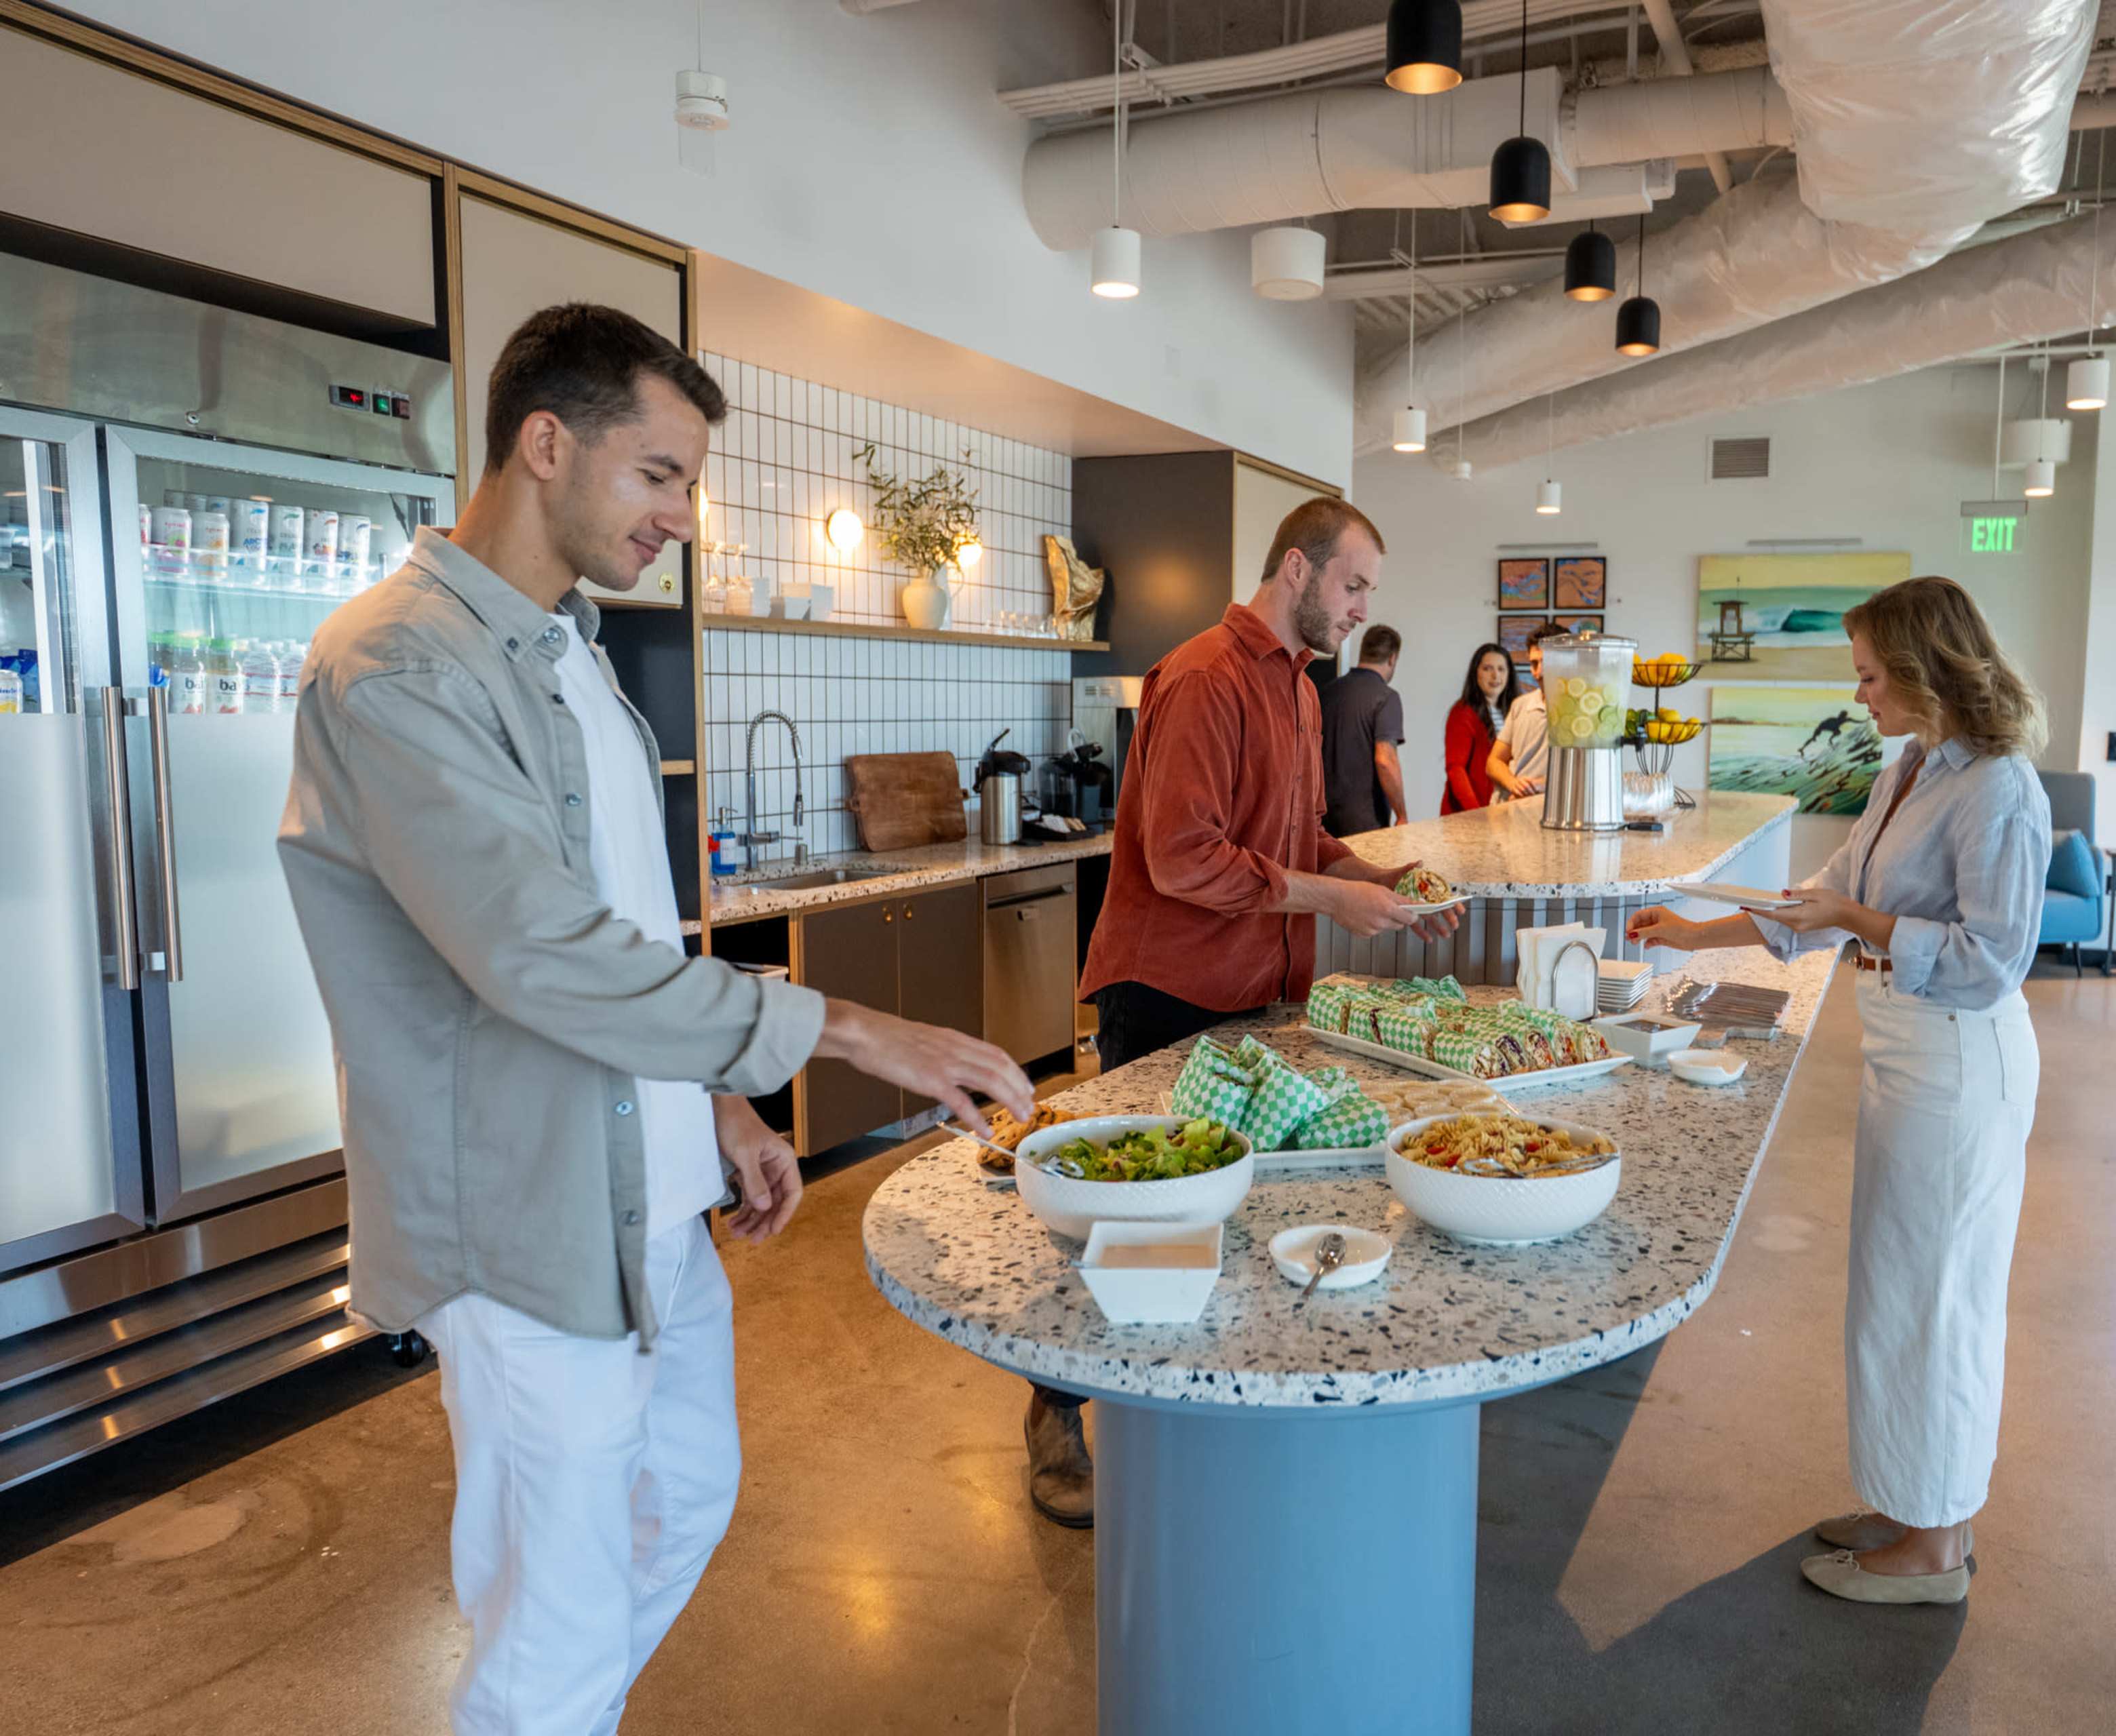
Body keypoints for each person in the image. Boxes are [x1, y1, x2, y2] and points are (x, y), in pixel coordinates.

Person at [277, 303, 1034, 1733]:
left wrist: (726, 1103)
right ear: (544, 443)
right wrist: (852, 1030)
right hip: (521, 1218)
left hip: (649, 1189)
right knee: (549, 1611)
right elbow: (541, 956)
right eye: (659, 476)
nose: (682, 516)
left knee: (683, 1492)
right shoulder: (397, 667)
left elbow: (627, 924)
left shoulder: (572, 656)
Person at [1034, 499, 1461, 1528]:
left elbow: (1298, 836)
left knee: (1227, 1216)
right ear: (1297, 570)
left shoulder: (1305, 694)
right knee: (1132, 1218)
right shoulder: (1201, 679)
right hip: (1169, 992)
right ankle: (1056, 1416)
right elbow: (1185, 860)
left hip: (1260, 997)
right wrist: (1334, 901)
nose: (1362, 610)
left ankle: (1190, 1415)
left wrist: (1383, 880)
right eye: (1354, 586)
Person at [1627, 574, 2048, 1609]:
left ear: (1918, 670)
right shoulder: (1909, 768)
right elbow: (1823, 904)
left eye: (1867, 675)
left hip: (1961, 1053)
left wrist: (1859, 926)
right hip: (1907, 1045)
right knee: (1896, 1287)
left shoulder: (1999, 788)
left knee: (1942, 1296)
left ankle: (1938, 1548)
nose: (1858, 694)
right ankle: (1912, 1500)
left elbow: (1994, 958)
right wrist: (1692, 929)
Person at [1322, 622, 1409, 835]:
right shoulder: (1386, 698)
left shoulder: (1327, 692)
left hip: (1323, 819)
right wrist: (1402, 815)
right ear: (1392, 658)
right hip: (1365, 822)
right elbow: (1385, 760)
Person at [1486, 620, 1570, 800]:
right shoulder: (1520, 705)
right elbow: (1494, 761)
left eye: (1547, 663)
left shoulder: (1581, 712)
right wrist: (1513, 784)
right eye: (1534, 664)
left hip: (1545, 812)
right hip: (1504, 811)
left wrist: (1538, 785)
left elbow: (1581, 774)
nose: (1539, 672)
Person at [1441, 642, 1512, 814]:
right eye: (1487, 669)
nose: (1496, 676)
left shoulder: (1514, 711)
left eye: (1501, 669)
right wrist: (1477, 813)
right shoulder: (1463, 712)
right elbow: (1456, 769)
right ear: (1476, 673)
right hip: (1470, 814)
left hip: (1502, 811)